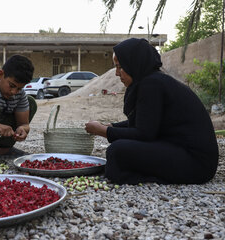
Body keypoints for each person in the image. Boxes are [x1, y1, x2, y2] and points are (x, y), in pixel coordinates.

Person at [85, 38, 218, 185]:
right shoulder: (152, 81)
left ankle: (143, 177)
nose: (117, 73)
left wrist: (103, 131)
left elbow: (144, 133)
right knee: (119, 149)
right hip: (184, 153)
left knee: (117, 151)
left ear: (133, 64)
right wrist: (112, 126)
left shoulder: (151, 85)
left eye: (120, 67)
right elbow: (146, 121)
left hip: (196, 164)